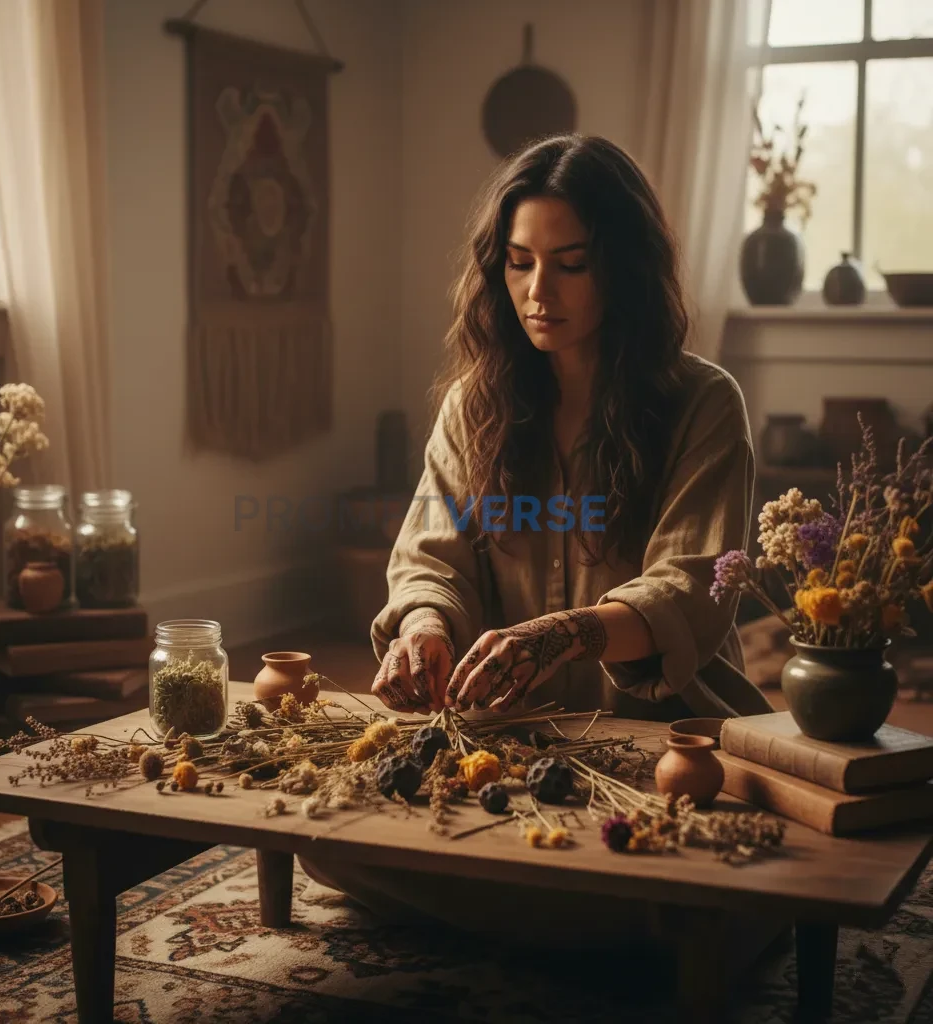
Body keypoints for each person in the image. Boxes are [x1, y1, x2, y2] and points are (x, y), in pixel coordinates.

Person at [300, 134, 776, 952]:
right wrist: (423, 627)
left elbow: (690, 585)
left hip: (665, 748)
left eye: (571, 264)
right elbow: (429, 559)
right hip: (513, 750)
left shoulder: (703, 403)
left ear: (622, 268)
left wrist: (565, 633)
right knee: (322, 843)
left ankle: (599, 909)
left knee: (707, 866)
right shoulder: (473, 406)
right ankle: (612, 919)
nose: (538, 291)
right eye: (519, 263)